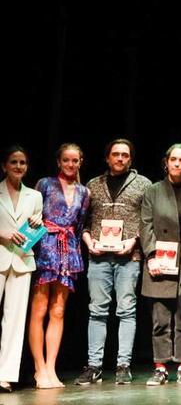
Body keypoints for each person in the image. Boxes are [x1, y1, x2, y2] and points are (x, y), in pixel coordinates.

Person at [76, 139, 152, 385]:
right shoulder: (92, 185)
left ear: (131, 159)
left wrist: (134, 242)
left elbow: (147, 221)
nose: (120, 159)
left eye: (125, 155)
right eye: (116, 154)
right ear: (107, 158)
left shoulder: (143, 185)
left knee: (126, 311)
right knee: (96, 311)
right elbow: (84, 223)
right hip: (98, 258)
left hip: (129, 257)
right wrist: (88, 242)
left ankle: (123, 365)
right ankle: (95, 366)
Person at [141, 143, 181, 386]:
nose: (178, 164)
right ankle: (160, 367)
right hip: (161, 261)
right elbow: (145, 224)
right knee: (160, 318)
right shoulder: (153, 191)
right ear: (166, 162)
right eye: (174, 160)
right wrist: (151, 256)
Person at [29, 144, 90, 388]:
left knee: (58, 310)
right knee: (40, 308)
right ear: (59, 162)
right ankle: (38, 368)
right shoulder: (45, 184)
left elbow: (80, 224)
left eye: (75, 160)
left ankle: (51, 368)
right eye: (66, 160)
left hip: (68, 251)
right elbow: (32, 215)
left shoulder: (84, 192)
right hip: (45, 246)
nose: (71, 164)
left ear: (80, 162)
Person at [0, 146, 43, 393]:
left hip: (22, 259)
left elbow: (36, 227)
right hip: (1, 254)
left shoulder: (34, 196)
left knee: (15, 320)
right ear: (4, 165)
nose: (18, 166)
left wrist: (38, 222)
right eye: (14, 162)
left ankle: (5, 375)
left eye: (23, 163)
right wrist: (3, 234)